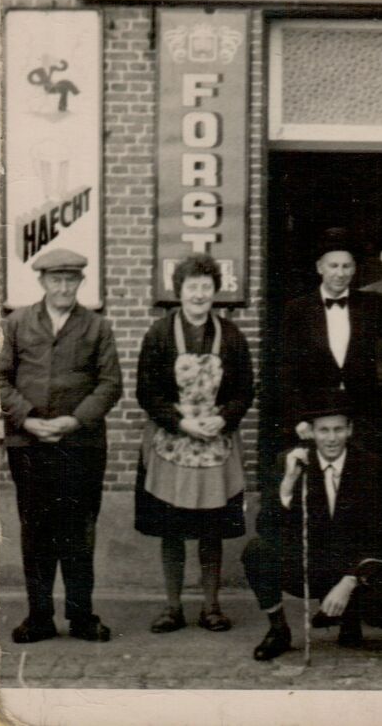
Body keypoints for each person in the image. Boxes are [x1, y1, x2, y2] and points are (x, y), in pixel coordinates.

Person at [0, 248, 123, 643]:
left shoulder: (97, 327)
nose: (64, 287)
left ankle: (82, 616)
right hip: (29, 445)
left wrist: (75, 420)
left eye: (71, 280)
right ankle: (38, 616)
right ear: (42, 282)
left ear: (80, 283)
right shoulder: (16, 323)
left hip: (80, 446)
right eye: (57, 280)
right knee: (35, 530)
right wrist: (27, 418)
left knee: (78, 530)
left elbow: (110, 383)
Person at [135, 253, 254, 634]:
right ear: (179, 291)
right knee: (171, 529)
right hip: (172, 443)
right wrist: (181, 422)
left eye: (206, 287)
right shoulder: (158, 334)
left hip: (217, 445)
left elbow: (245, 391)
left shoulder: (232, 336)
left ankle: (212, 607)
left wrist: (223, 418)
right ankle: (172, 607)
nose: (199, 295)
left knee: (211, 528)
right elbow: (147, 393)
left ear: (215, 292)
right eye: (192, 287)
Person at [242, 393, 382, 660]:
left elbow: (381, 535)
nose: (332, 438)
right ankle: (278, 630)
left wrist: (348, 582)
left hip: (352, 567)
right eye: (323, 430)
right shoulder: (291, 462)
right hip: (310, 563)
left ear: (350, 430)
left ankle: (350, 618)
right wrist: (288, 483)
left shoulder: (369, 465)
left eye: (338, 429)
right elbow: (266, 527)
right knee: (257, 551)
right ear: (311, 432)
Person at [278, 228, 382, 453]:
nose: (340, 273)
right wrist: (298, 417)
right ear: (319, 267)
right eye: (333, 266)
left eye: (346, 266)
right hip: (316, 419)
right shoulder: (297, 309)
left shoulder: (372, 304)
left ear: (354, 269)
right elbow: (285, 370)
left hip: (364, 418)